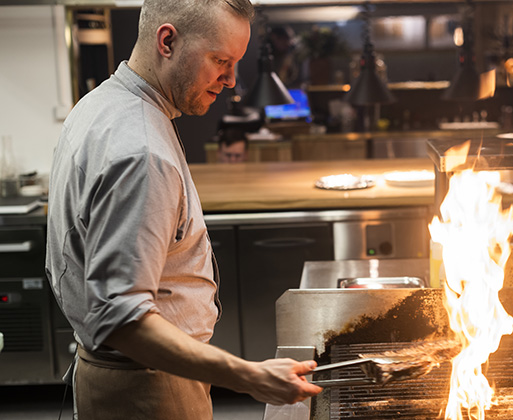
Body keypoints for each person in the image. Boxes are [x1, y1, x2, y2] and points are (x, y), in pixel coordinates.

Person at [45, 0, 321, 418]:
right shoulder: (141, 151)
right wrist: (249, 375)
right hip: (148, 387)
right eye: (220, 61)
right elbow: (121, 318)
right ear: (167, 41)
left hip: (113, 373)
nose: (231, 80)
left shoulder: (99, 104)